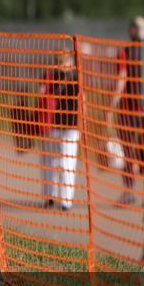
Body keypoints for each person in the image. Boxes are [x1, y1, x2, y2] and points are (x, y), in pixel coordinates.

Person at [108, 17, 144, 212]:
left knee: (128, 152)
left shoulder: (126, 52)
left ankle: (129, 191)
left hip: (129, 111)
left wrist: (111, 107)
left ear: (132, 30)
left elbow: (121, 80)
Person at [39, 51, 80, 211]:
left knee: (57, 163)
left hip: (65, 126)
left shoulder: (70, 78)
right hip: (57, 125)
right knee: (60, 163)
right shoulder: (56, 76)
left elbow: (40, 95)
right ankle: (60, 200)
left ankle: (58, 199)